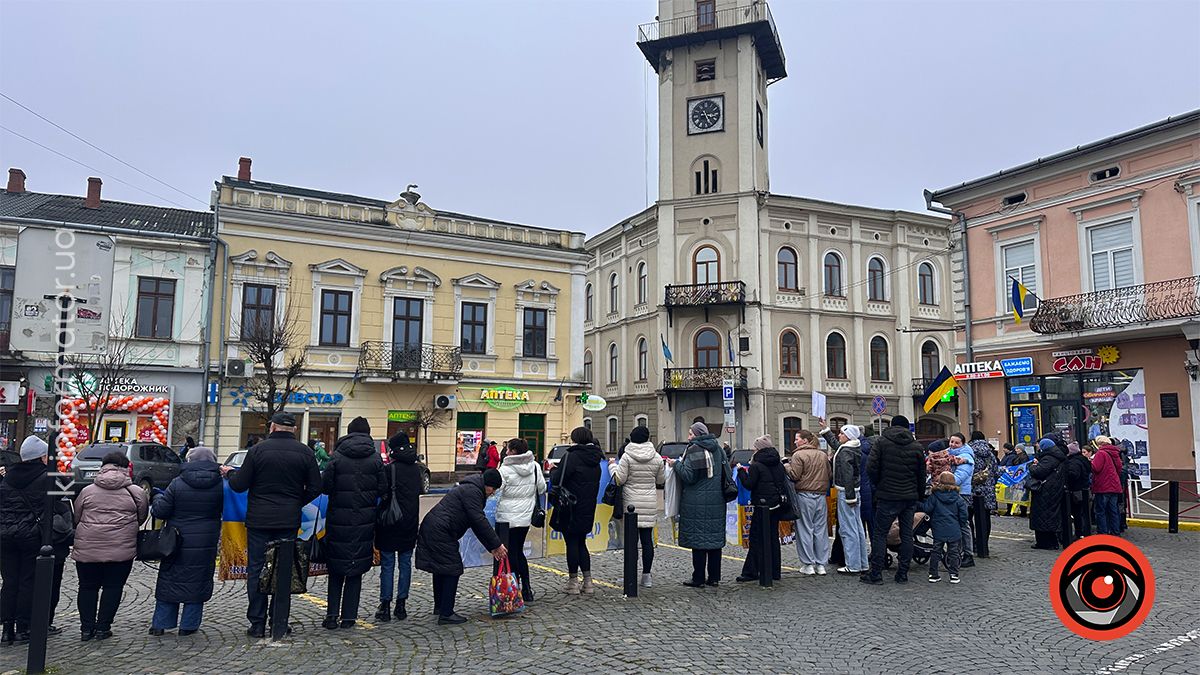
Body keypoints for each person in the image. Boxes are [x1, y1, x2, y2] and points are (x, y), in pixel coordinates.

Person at [223, 411, 322, 638]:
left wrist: (230, 475)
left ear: (272, 427)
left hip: (259, 519)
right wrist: (296, 502)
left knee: (257, 569)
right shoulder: (305, 452)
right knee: (283, 569)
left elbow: (239, 485)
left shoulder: (257, 451)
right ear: (294, 430)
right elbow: (316, 487)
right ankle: (279, 620)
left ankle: (256, 623)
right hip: (288, 519)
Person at [72, 450, 148, 641]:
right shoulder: (136, 492)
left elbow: (76, 517)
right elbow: (142, 517)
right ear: (126, 468)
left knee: (87, 587)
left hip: (88, 547)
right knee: (113, 587)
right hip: (121, 548)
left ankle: (86, 629)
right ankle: (103, 628)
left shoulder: (87, 491)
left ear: (103, 467)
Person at [149, 446, 223, 636]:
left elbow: (160, 511)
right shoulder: (220, 484)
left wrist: (157, 496)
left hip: (176, 540)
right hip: (206, 539)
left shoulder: (177, 483)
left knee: (169, 579)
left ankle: (161, 623)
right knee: (198, 580)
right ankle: (188, 626)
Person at [415, 470, 507, 624]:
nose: (493, 493)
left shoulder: (471, 488)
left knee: (441, 568)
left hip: (436, 527)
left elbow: (475, 524)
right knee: (452, 569)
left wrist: (492, 547)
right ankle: (446, 613)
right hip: (441, 530)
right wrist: (497, 544)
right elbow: (478, 520)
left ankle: (440, 606)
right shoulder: (473, 491)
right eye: (494, 489)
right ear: (488, 485)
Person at [321, 417, 386, 630]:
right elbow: (383, 489)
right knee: (356, 570)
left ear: (348, 432)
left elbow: (325, 486)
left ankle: (331, 616)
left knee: (336, 569)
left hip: (338, 519)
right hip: (365, 520)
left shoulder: (337, 456)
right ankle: (349, 617)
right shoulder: (375, 459)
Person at [862, 415, 926, 585]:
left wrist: (879, 485)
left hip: (887, 495)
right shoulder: (916, 446)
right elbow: (921, 474)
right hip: (909, 496)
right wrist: (918, 494)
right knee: (906, 535)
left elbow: (871, 468)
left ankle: (876, 573)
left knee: (880, 534)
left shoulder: (882, 442)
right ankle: (903, 573)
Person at [1, 436, 52, 645]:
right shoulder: (47, 476)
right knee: (27, 581)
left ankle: (6, 630)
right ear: (41, 456)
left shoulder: (7, 477)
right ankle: (23, 628)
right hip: (31, 534)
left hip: (5, 535)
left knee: (9, 581)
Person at [669, 422, 727, 588]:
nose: (688, 437)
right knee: (714, 541)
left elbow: (689, 476)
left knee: (699, 542)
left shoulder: (695, 449)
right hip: (716, 500)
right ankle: (714, 577)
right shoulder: (718, 449)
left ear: (697, 435)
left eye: (690, 434)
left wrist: (676, 464)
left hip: (696, 501)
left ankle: (698, 578)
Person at [549, 427, 604, 595]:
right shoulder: (596, 458)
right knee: (581, 542)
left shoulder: (571, 456)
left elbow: (558, 479)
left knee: (572, 543)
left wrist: (553, 470)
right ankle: (588, 582)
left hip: (570, 507)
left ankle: (573, 582)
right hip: (588, 507)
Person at [375, 432, 422, 622]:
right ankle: (401, 605)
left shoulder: (389, 470)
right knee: (405, 564)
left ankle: (385, 605)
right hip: (409, 523)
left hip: (390, 522)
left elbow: (381, 494)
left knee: (387, 564)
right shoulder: (417, 470)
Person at [610, 425, 665, 587]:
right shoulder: (656, 457)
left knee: (631, 542)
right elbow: (661, 481)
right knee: (647, 541)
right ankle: (647, 576)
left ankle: (630, 575)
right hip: (648, 503)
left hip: (631, 504)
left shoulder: (627, 457)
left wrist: (612, 466)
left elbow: (619, 479)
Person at [494, 438, 547, 601]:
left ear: (514, 451)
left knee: (507, 554)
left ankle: (512, 590)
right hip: (525, 517)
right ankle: (527, 589)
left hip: (505, 518)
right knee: (519, 551)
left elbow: (497, 490)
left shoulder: (505, 469)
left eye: (508, 449)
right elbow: (542, 488)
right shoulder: (535, 467)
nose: (506, 452)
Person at [735, 434, 788, 583]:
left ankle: (751, 571)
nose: (752, 449)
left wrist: (740, 472)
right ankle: (774, 571)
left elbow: (749, 484)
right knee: (772, 538)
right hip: (777, 504)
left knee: (757, 538)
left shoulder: (757, 465)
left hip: (761, 505)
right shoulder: (778, 463)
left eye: (754, 447)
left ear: (759, 449)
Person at [824, 424, 868, 575]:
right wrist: (826, 431)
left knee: (848, 530)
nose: (839, 436)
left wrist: (849, 496)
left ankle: (853, 565)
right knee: (858, 528)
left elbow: (848, 475)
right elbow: (837, 446)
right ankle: (862, 563)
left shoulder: (846, 451)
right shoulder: (852, 447)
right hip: (855, 491)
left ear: (848, 436)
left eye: (841, 433)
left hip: (846, 493)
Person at [786, 429, 831, 576]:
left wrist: (786, 466)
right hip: (821, 495)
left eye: (797, 439)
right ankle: (821, 564)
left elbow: (794, 475)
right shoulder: (822, 455)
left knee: (805, 529)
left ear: (805, 440)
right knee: (820, 531)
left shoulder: (798, 455)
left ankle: (808, 564)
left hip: (804, 494)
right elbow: (829, 474)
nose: (794, 441)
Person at [922, 472, 969, 584]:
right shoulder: (958, 498)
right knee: (954, 553)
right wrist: (961, 525)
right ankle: (954, 575)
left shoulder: (935, 496)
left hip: (938, 528)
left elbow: (927, 508)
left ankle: (933, 574)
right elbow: (964, 515)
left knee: (936, 551)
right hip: (954, 529)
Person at [1028, 438, 1067, 550]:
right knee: (1049, 516)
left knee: (1043, 516)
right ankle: (1050, 541)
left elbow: (1038, 472)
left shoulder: (1049, 458)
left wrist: (1033, 466)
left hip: (1045, 491)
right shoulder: (1057, 456)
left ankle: (1046, 542)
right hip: (1053, 490)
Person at [968, 431, 999, 558]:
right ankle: (984, 543)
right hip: (988, 491)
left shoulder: (970, 452)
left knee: (968, 517)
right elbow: (996, 471)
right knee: (985, 518)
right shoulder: (990, 454)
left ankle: (973, 543)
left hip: (972, 489)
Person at [947, 433, 976, 568]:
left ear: (963, 444)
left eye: (956, 443)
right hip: (950, 493)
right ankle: (955, 552)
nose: (952, 445)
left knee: (963, 524)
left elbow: (958, 478)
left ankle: (968, 554)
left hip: (961, 494)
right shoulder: (948, 455)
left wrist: (942, 480)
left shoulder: (966, 458)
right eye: (951, 441)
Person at [1088, 436, 1123, 536]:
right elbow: (1119, 468)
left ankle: (1103, 532)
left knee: (1101, 511)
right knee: (1113, 510)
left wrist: (1090, 461)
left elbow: (1096, 468)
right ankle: (1115, 532)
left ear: (1100, 444)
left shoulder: (1101, 453)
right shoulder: (1115, 453)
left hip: (1103, 486)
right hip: (1114, 486)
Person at [1063, 442, 1092, 541]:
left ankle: (1079, 532)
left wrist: (1066, 477)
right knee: (1080, 513)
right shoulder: (1083, 460)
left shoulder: (1074, 462)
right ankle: (1082, 532)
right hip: (1083, 489)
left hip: (1075, 490)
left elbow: (1073, 475)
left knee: (1076, 513)